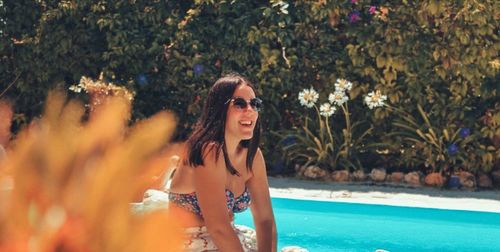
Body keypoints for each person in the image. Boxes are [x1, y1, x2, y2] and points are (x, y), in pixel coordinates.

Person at [166, 73, 277, 252]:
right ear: (220, 109)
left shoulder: (253, 157)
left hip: (226, 241)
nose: (250, 110)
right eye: (240, 104)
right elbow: (218, 227)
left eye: (255, 104)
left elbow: (265, 221)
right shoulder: (207, 151)